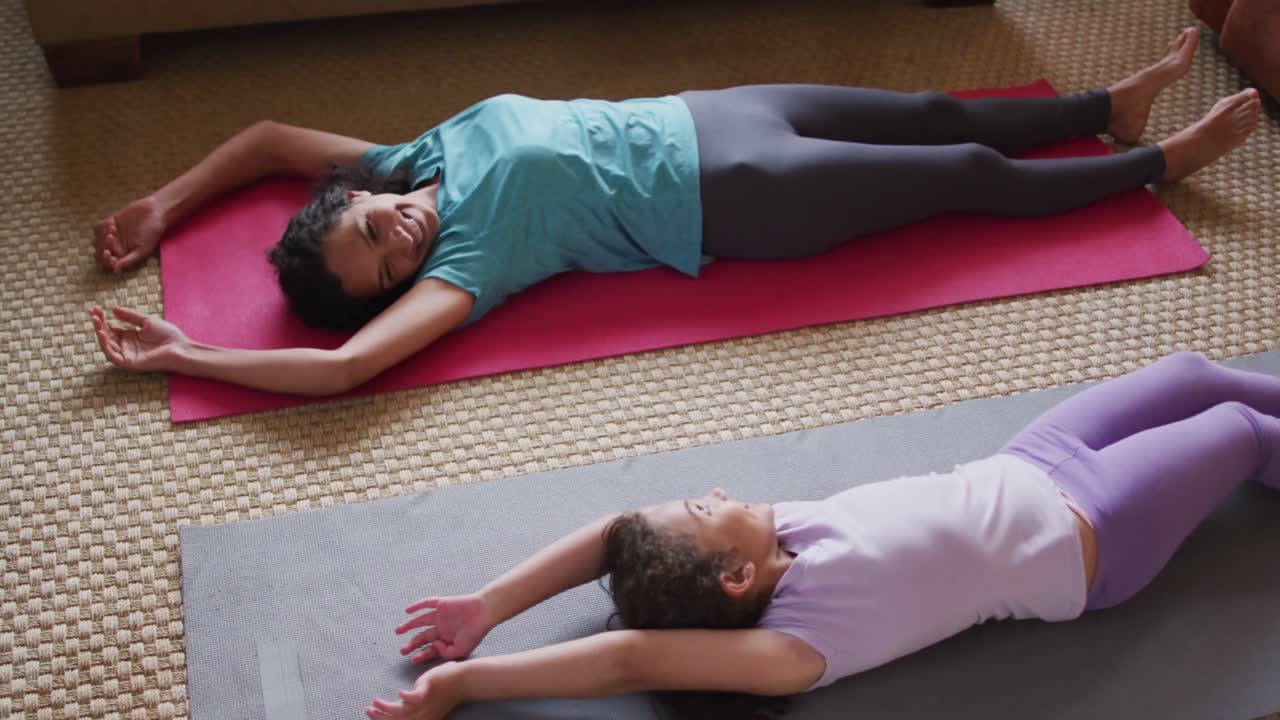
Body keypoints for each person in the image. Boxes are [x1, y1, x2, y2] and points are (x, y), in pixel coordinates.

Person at [90, 29, 1259, 396]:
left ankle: (1104, 99)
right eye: (385, 268)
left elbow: (266, 143)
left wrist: (165, 198)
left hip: (716, 106)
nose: (399, 242)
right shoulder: (474, 264)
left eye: (371, 228)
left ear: (357, 201)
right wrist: (190, 353)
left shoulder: (410, 157)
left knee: (928, 103)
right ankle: (1156, 162)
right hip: (738, 198)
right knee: (961, 169)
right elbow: (347, 371)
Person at [361, 351, 1280, 719]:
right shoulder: (798, 645)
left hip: (1033, 458)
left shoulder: (770, 535)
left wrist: (488, 604)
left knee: (1198, 371)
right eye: (701, 506)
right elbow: (626, 661)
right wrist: (465, 683)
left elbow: (615, 532)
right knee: (1238, 433)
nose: (715, 489)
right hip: (1098, 534)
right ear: (731, 578)